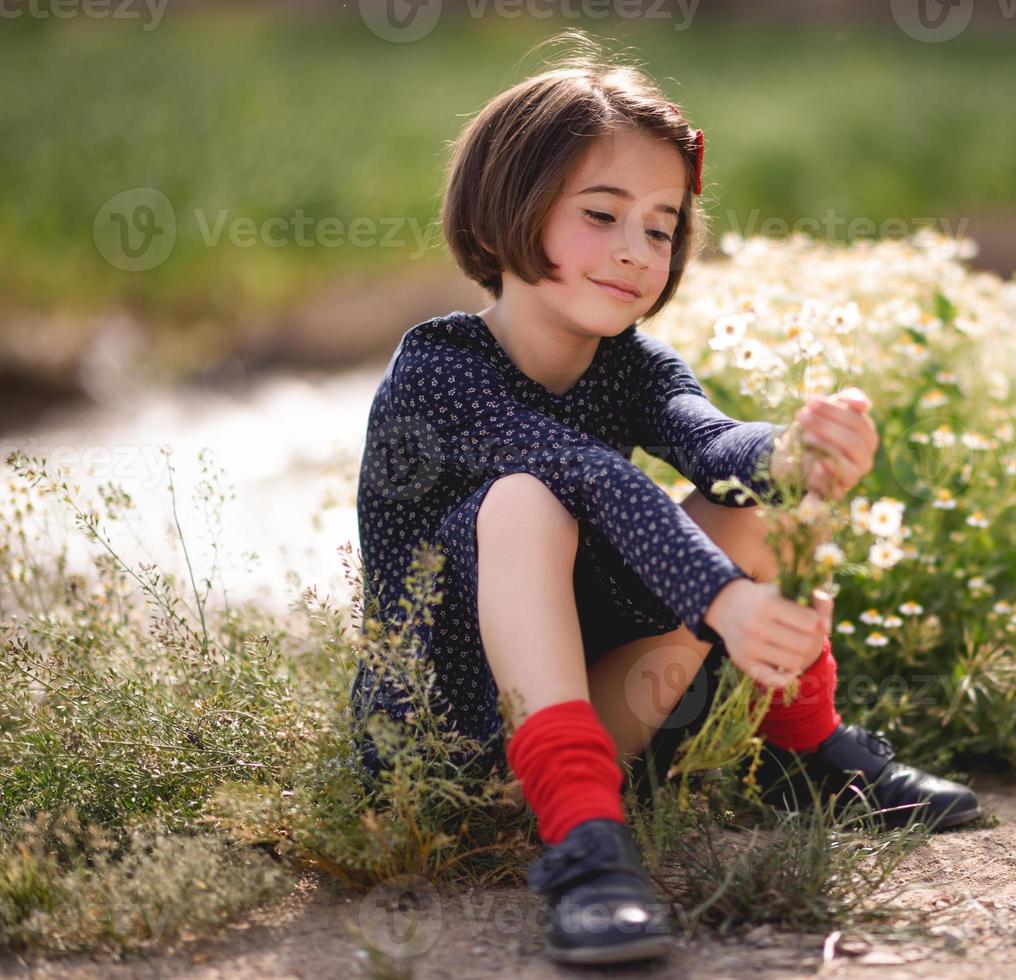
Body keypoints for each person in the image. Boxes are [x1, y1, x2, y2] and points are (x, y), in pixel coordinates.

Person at [349, 34, 984, 967]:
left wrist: (795, 450)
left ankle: (803, 756)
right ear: (499, 219)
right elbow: (596, 480)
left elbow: (711, 442)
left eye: (659, 226)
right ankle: (585, 854)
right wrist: (725, 602)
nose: (635, 251)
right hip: (446, 754)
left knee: (760, 500)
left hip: (603, 723)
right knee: (527, 499)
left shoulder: (634, 365)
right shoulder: (441, 369)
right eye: (602, 215)